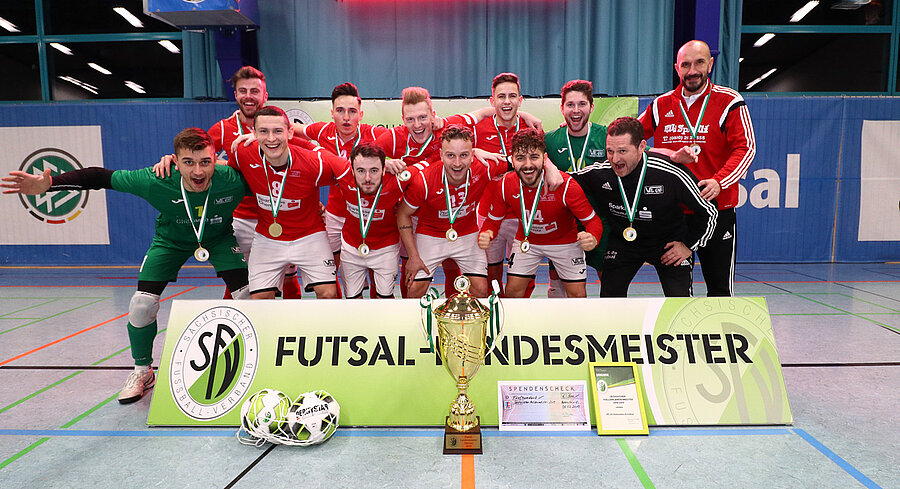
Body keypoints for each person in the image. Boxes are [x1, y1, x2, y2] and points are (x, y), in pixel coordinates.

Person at [2, 128, 250, 404]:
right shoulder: (156, 179)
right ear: (175, 161)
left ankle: (255, 364)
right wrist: (49, 185)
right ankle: (142, 371)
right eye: (188, 162)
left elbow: (271, 175)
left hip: (218, 238)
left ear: (215, 159)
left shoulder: (231, 179)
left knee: (248, 296)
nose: (198, 171)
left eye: (205, 161)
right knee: (142, 304)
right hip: (170, 242)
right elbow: (99, 177)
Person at [638, 40, 756, 297]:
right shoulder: (661, 104)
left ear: (710, 63)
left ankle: (721, 335)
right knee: (678, 294)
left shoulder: (729, 101)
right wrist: (665, 153)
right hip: (674, 213)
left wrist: (719, 181)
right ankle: (684, 337)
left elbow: (746, 148)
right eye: (686, 64)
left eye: (699, 62)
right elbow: (629, 141)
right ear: (677, 69)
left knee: (720, 291)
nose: (692, 70)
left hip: (717, 209)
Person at [571, 117, 718, 297]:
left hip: (668, 245)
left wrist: (688, 245)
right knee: (610, 298)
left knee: (679, 301)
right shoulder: (601, 172)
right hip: (624, 243)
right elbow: (564, 179)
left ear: (641, 146)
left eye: (622, 151)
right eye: (610, 151)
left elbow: (709, 210)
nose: (615, 159)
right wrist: (545, 163)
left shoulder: (670, 171)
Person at [232, 106, 350, 299]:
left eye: (278, 131)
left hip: (309, 235)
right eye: (263, 132)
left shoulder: (315, 163)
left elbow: (351, 173)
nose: (271, 139)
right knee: (259, 300)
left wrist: (381, 164)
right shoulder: (242, 153)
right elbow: (217, 171)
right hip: (267, 238)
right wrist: (173, 161)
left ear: (289, 133)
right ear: (253, 133)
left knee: (329, 294)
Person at [478, 128, 603, 298]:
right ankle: (515, 325)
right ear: (512, 160)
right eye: (520, 158)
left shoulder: (565, 185)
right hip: (527, 242)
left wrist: (593, 236)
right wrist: (487, 233)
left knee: (577, 295)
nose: (528, 165)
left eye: (534, 157)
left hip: (564, 242)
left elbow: (593, 221)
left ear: (545, 158)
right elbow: (493, 221)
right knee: (513, 292)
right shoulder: (505, 184)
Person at [292, 83, 389, 297]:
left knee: (375, 272)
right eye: (340, 111)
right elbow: (289, 131)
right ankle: (340, 316)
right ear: (332, 113)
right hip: (335, 216)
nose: (346, 117)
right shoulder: (322, 131)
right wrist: (255, 135)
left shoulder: (375, 135)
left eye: (352, 111)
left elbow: (408, 139)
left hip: (366, 215)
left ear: (360, 114)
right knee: (331, 270)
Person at [543, 80, 610, 297]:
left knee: (609, 281)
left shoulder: (606, 136)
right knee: (559, 288)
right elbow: (527, 154)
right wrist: (548, 163)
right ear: (562, 108)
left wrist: (674, 155)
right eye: (570, 105)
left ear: (591, 107)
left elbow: (639, 151)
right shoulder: (551, 140)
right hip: (564, 225)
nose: (576, 110)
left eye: (582, 104)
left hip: (601, 221)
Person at [472, 73, 530, 296]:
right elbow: (451, 148)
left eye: (512, 96)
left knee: (521, 281)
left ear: (520, 100)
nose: (507, 101)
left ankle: (518, 324)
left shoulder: (531, 128)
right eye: (501, 96)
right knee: (489, 278)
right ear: (492, 100)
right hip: (487, 214)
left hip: (522, 214)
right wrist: (475, 150)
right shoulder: (478, 130)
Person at [336, 142, 406, 298]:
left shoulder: (398, 180)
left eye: (374, 170)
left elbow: (433, 165)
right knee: (353, 300)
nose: (367, 178)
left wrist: (473, 153)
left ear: (383, 170)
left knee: (385, 298)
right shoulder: (343, 174)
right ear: (352, 171)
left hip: (385, 248)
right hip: (351, 247)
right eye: (361, 171)